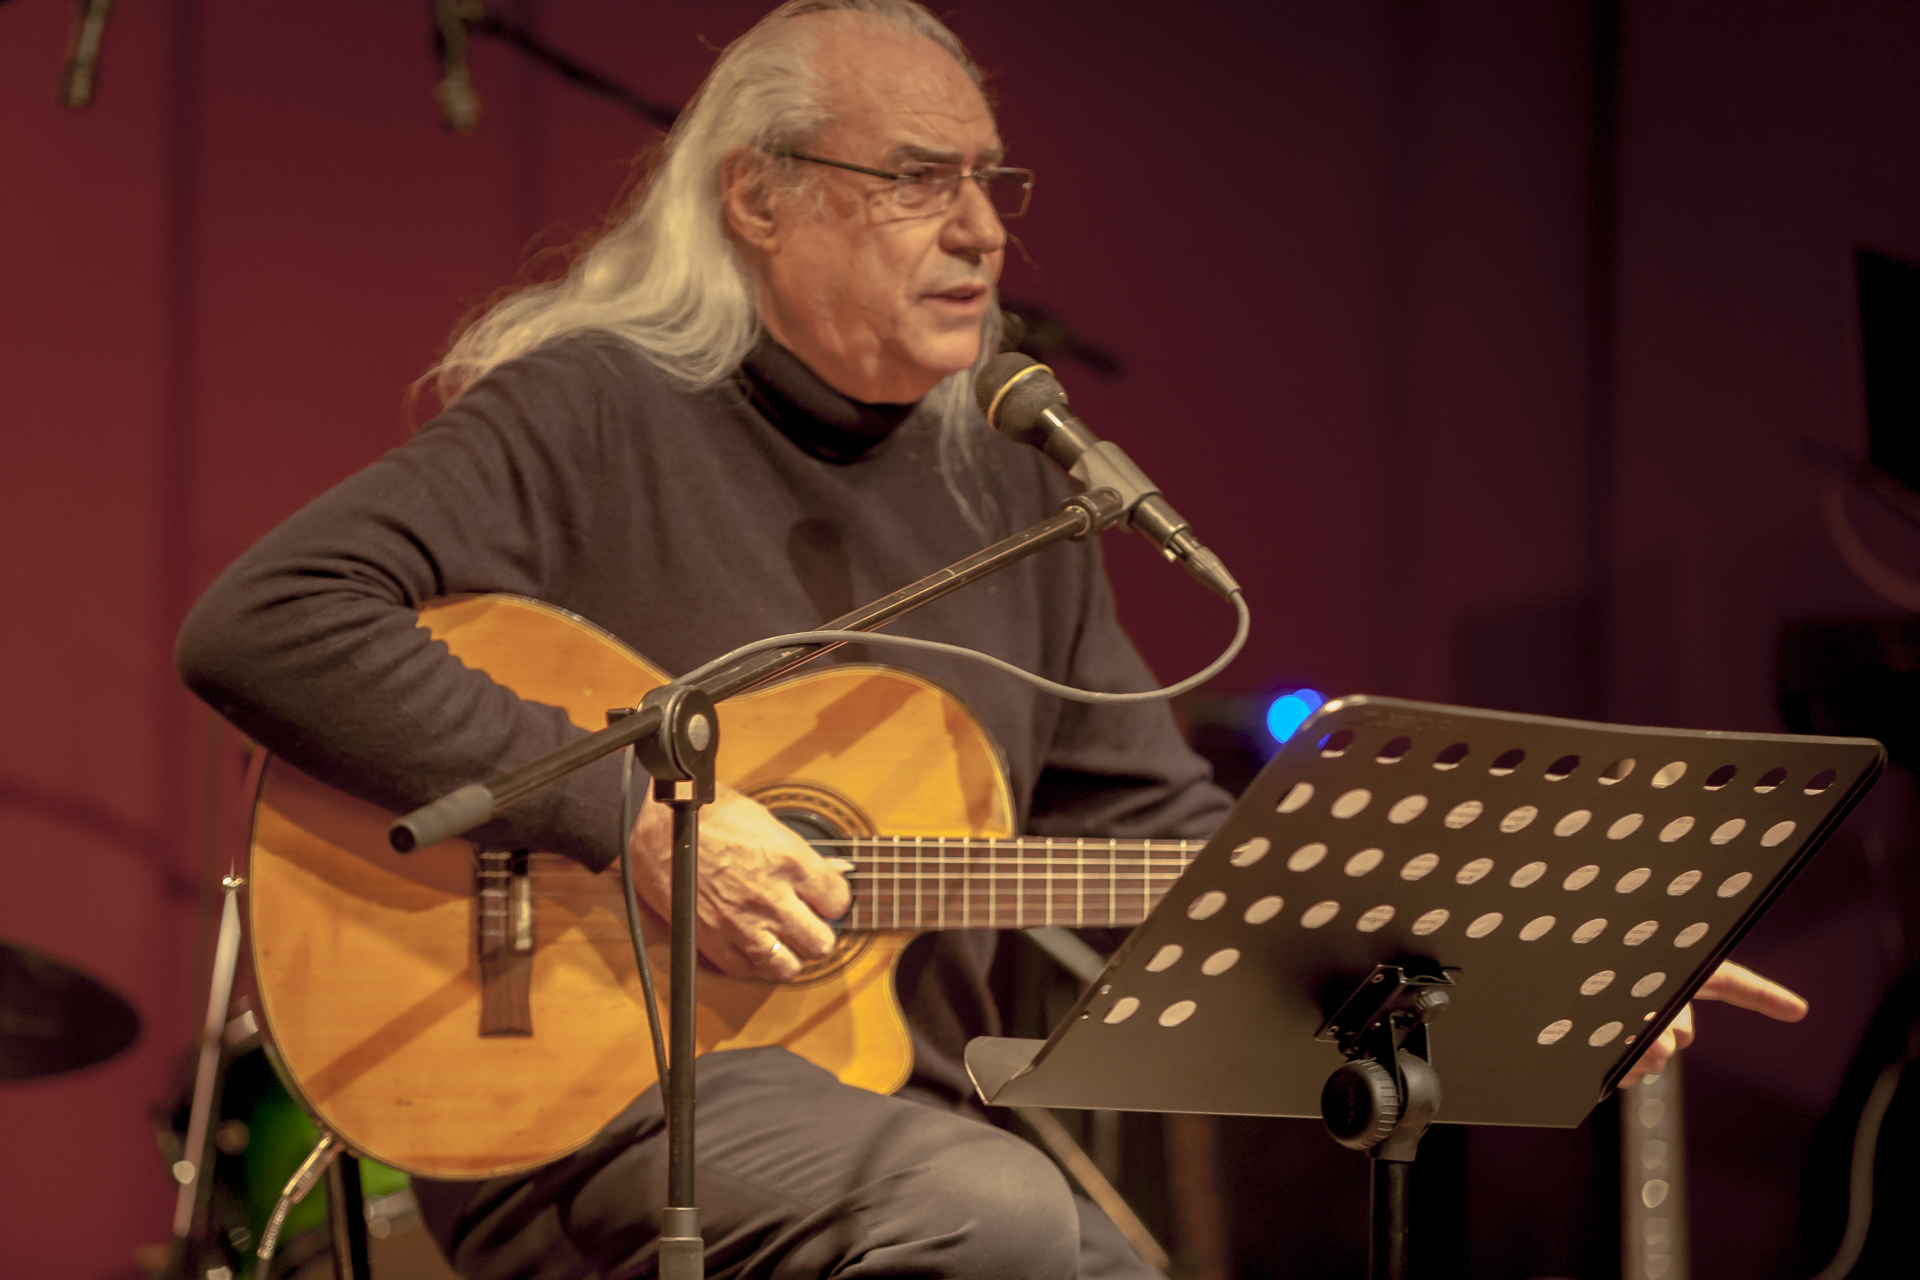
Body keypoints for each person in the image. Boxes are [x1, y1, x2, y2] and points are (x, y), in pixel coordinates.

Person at [175, 2, 1808, 1276]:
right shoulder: (599, 411)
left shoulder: (1008, 486)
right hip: (580, 1106)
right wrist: (637, 819)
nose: (981, 230)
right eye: (918, 180)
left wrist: (1522, 946)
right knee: (1000, 1221)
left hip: (889, 1117)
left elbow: (1163, 844)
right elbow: (266, 621)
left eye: (991, 182)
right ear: (758, 195)